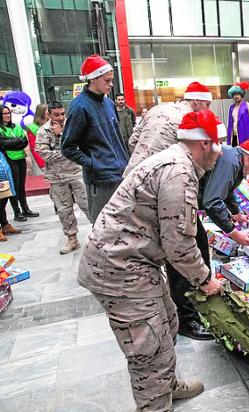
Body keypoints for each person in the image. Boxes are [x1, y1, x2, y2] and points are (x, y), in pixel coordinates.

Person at [77, 110, 224, 411]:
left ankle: (167, 385)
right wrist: (206, 280)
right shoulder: (178, 173)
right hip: (118, 268)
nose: (220, 150)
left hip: (135, 261)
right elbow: (179, 245)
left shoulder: (176, 158)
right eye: (218, 142)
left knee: (167, 322)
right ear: (205, 144)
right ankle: (155, 405)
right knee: (149, 347)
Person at [170, 138, 249, 339]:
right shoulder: (231, 161)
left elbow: (227, 190)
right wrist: (233, 232)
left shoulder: (236, 161)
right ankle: (187, 318)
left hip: (184, 205)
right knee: (187, 254)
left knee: (199, 249)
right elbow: (212, 201)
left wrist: (236, 212)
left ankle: (193, 304)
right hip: (177, 207)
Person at [61, 54, 129, 223]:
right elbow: (67, 147)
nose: (111, 85)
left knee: (124, 223)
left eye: (111, 80)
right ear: (93, 79)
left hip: (120, 174)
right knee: (102, 225)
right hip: (100, 180)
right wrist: (94, 163)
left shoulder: (109, 104)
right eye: (107, 81)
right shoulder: (79, 107)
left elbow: (117, 138)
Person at [124, 82, 213, 176]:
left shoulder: (156, 109)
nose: (208, 109)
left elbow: (132, 141)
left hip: (132, 174)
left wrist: (141, 157)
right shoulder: (190, 121)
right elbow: (193, 156)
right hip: (157, 179)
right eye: (207, 105)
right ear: (196, 101)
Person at [36, 101, 90, 254]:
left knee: (86, 204)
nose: (60, 117)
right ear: (49, 114)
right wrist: (68, 153)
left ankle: (99, 233)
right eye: (56, 114)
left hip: (76, 173)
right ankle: (72, 239)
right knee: (64, 209)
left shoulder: (72, 127)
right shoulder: (43, 131)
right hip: (56, 177)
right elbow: (44, 154)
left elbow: (81, 149)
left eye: (62, 114)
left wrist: (61, 135)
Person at [0, 105, 39, 221]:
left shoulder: (16, 126)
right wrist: (16, 141)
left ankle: (25, 209)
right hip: (8, 159)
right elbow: (2, 144)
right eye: (4, 113)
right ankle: (17, 212)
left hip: (20, 157)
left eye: (8, 113)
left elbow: (24, 141)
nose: (7, 115)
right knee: (14, 186)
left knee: (21, 186)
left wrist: (13, 142)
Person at [227, 81, 249, 146]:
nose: (236, 96)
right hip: (234, 135)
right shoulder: (231, 107)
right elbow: (229, 121)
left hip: (245, 133)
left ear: (241, 95)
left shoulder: (247, 106)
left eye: (238, 94)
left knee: (245, 152)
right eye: (235, 95)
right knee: (235, 152)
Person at [26, 103, 47, 174]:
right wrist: (42, 164)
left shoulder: (50, 123)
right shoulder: (32, 127)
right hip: (41, 161)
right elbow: (34, 148)